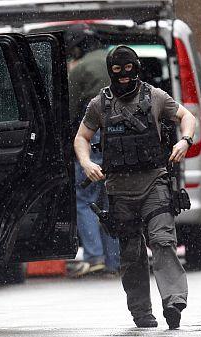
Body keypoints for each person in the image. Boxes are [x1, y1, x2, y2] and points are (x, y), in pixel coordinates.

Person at [74, 45, 196, 329]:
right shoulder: (99, 105)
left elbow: (186, 116)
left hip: (154, 183)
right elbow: (82, 136)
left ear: (137, 68)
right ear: (109, 72)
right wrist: (86, 163)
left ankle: (174, 301)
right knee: (131, 254)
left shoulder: (154, 97)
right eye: (117, 71)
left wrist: (185, 141)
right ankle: (141, 311)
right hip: (119, 191)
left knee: (163, 242)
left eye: (128, 69)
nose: (124, 76)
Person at [66, 32, 120, 277]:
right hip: (121, 136)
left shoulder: (81, 69)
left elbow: (69, 107)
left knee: (85, 197)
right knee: (112, 198)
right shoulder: (116, 60)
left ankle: (94, 256)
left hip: (95, 134)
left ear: (77, 50)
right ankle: (115, 261)